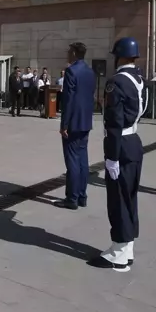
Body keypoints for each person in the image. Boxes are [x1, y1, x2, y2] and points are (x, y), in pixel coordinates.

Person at [87, 37, 147, 272]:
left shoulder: (116, 82)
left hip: (121, 143)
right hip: (134, 141)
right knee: (130, 197)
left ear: (119, 57)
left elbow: (113, 122)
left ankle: (119, 252)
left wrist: (111, 157)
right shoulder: (141, 80)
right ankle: (128, 245)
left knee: (118, 199)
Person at [55, 42, 96, 210]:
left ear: (73, 53)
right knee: (83, 161)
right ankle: (82, 196)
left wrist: (64, 124)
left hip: (73, 122)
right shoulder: (90, 71)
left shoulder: (72, 71)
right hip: (85, 121)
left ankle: (71, 198)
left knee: (72, 161)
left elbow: (69, 100)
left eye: (68, 51)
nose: (67, 53)